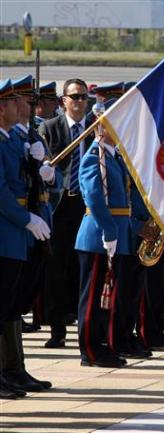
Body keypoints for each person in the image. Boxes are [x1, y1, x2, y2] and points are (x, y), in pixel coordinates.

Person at [74, 105, 147, 368]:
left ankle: (103, 344)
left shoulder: (114, 157)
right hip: (98, 235)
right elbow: (94, 198)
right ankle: (90, 351)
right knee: (94, 296)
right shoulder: (95, 156)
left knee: (108, 296)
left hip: (117, 233)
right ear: (101, 127)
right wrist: (109, 230)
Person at [0, 79, 52, 399]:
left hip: (19, 231)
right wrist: (25, 219)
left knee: (14, 304)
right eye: (16, 101)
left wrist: (41, 164)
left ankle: (13, 368)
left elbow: (35, 182)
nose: (24, 107)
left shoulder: (15, 138)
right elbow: (2, 192)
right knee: (3, 303)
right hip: (8, 230)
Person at [39, 78, 94, 348]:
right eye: (74, 97)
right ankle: (57, 328)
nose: (79, 102)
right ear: (64, 101)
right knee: (56, 267)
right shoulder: (50, 128)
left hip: (87, 206)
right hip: (60, 205)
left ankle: (85, 323)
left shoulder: (96, 129)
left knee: (83, 265)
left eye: (83, 97)